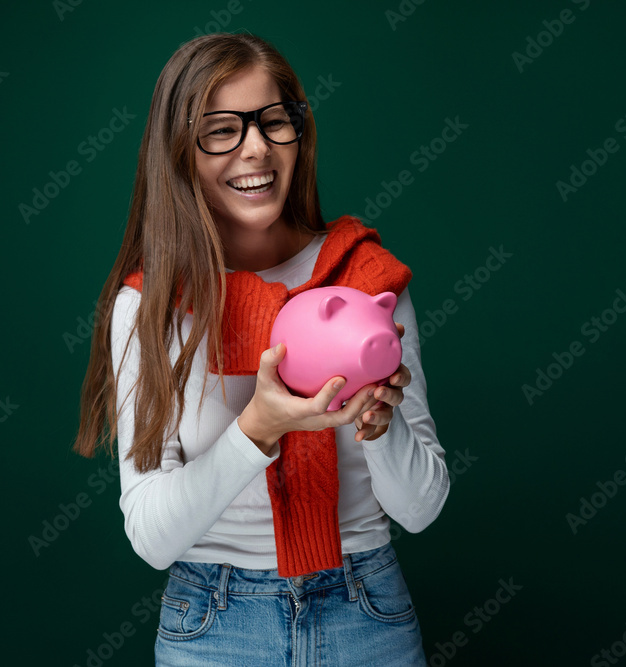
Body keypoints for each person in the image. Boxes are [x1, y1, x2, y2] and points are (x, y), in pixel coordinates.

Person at [72, 32, 449, 666]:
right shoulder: (151, 305)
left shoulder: (366, 282)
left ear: (299, 131)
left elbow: (421, 509)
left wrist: (381, 428)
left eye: (274, 121)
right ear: (178, 151)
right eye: (221, 130)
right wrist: (257, 428)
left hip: (367, 612)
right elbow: (152, 540)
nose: (256, 148)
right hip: (214, 624)